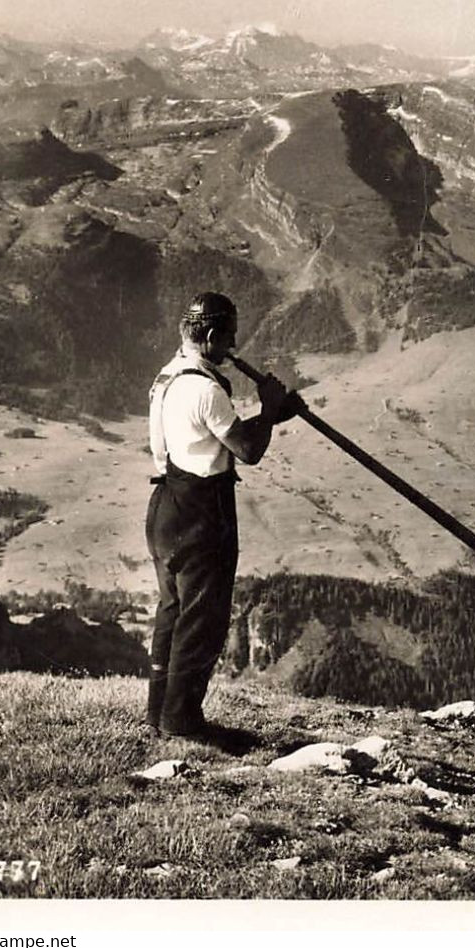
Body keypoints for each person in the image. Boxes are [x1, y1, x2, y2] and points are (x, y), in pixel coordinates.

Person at [145, 292, 303, 738]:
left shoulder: (169, 377)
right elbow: (248, 450)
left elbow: (207, 438)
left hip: (165, 508)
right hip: (201, 514)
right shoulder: (207, 389)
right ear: (212, 337)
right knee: (202, 620)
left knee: (173, 612)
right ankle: (183, 722)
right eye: (230, 336)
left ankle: (158, 716)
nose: (235, 345)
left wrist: (274, 415)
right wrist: (270, 411)